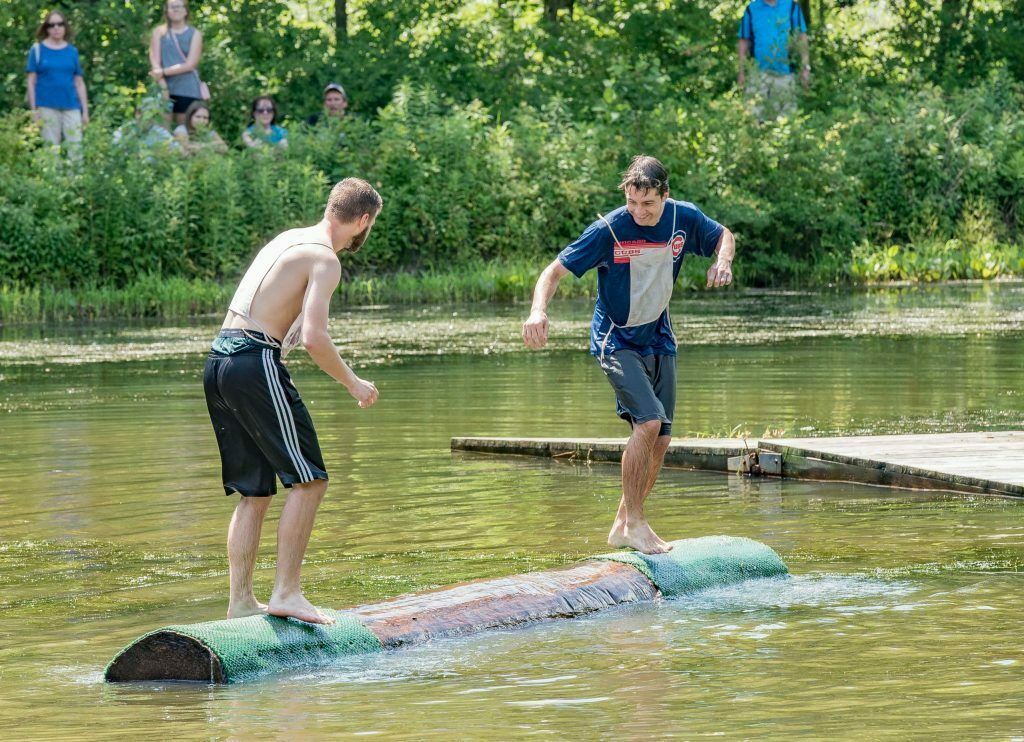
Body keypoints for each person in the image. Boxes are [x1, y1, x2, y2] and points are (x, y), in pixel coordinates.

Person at [522, 156, 736, 555]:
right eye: (632, 203)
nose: (638, 212)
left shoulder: (683, 218)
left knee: (663, 437)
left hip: (659, 335)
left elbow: (725, 234)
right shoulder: (608, 230)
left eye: (648, 204)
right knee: (649, 422)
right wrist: (538, 311)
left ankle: (624, 522)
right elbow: (552, 272)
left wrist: (722, 261)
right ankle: (636, 523)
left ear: (664, 196)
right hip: (615, 338)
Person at [203, 178, 382, 625]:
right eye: (369, 224)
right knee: (310, 481)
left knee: (254, 491)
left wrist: (294, 322)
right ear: (363, 220)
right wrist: (353, 383)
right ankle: (286, 593)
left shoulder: (289, 240)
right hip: (252, 361)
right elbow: (318, 340)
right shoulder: (326, 260)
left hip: (218, 360)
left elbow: (269, 302)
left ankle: (242, 601)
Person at [25, 9, 89, 153]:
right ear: (46, 28)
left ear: (65, 27)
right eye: (51, 25)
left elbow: (79, 82)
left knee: (76, 149)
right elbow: (31, 82)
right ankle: (53, 176)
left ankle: (75, 176)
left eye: (60, 24)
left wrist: (85, 111)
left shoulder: (72, 51)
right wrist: (34, 110)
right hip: (47, 105)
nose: (56, 28)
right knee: (51, 150)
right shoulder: (37, 50)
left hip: (71, 105)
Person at [737, 0, 809, 119]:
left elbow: (802, 37)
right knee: (753, 119)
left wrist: (805, 67)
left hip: (785, 74)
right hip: (758, 74)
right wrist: (741, 71)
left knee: (786, 121)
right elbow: (744, 40)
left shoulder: (792, 7)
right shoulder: (752, 9)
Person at [149, 0, 206, 127]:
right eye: (172, 7)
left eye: (179, 6)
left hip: (187, 89)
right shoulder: (159, 32)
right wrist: (162, 85)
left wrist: (163, 72)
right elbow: (154, 60)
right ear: (167, 11)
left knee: (185, 131)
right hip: (163, 88)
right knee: (162, 132)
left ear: (186, 10)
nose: (175, 9)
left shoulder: (195, 34)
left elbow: (190, 64)